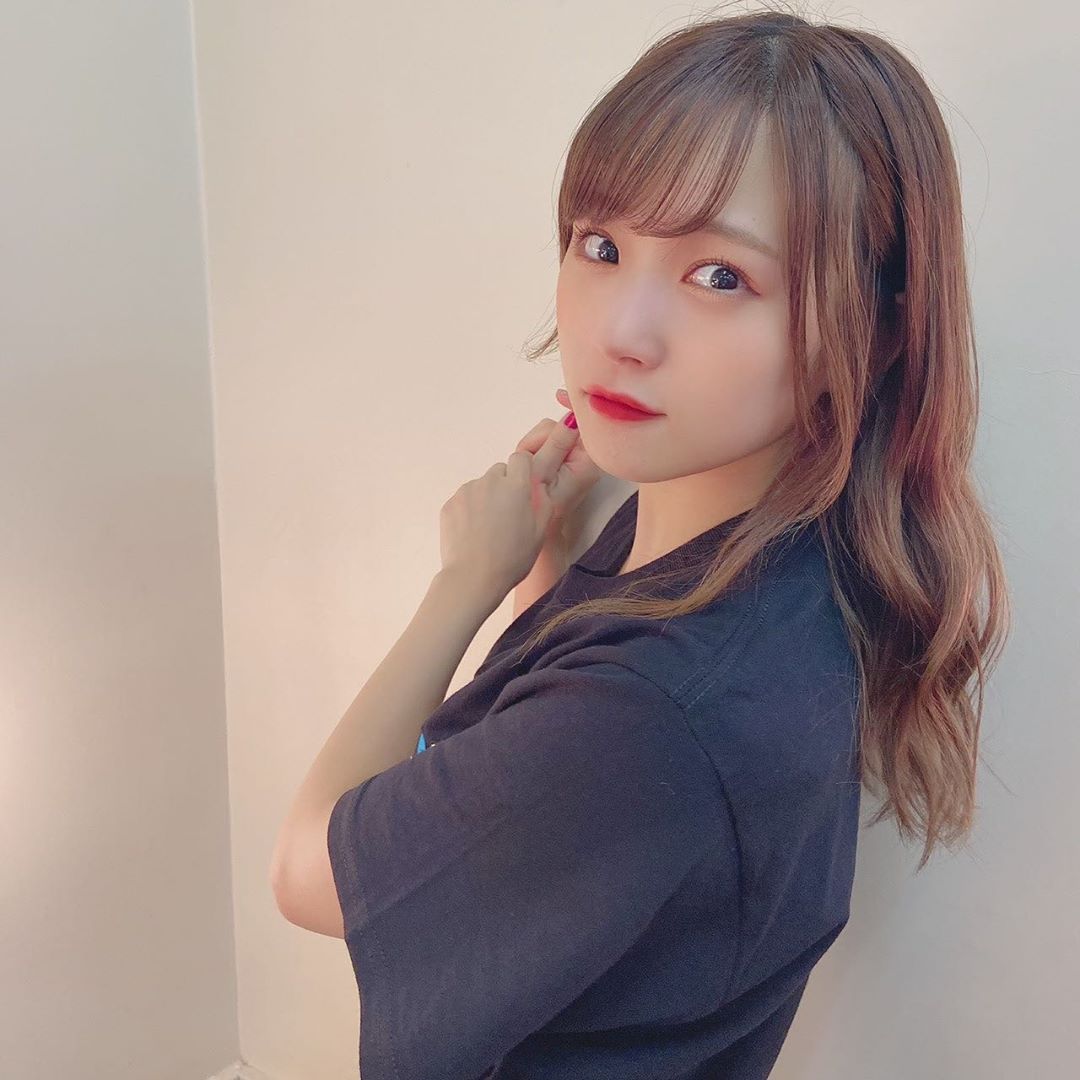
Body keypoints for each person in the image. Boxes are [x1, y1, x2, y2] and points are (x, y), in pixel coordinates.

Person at [323, 10, 1011, 1078]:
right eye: (600, 247)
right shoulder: (747, 551)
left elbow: (308, 870)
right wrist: (547, 573)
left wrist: (465, 581)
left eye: (719, 276)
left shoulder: (660, 711)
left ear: (875, 329)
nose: (620, 332)